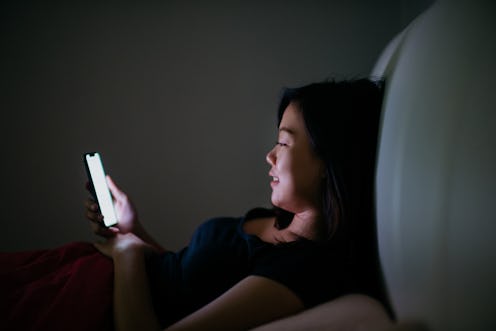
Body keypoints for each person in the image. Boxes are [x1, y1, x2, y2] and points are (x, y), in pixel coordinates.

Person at [1, 78, 391, 331]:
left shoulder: (300, 271)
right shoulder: (273, 221)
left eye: (285, 143)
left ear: (330, 162)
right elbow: (185, 283)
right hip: (72, 273)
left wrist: (127, 256)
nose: (269, 156)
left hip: (86, 306)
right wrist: (135, 231)